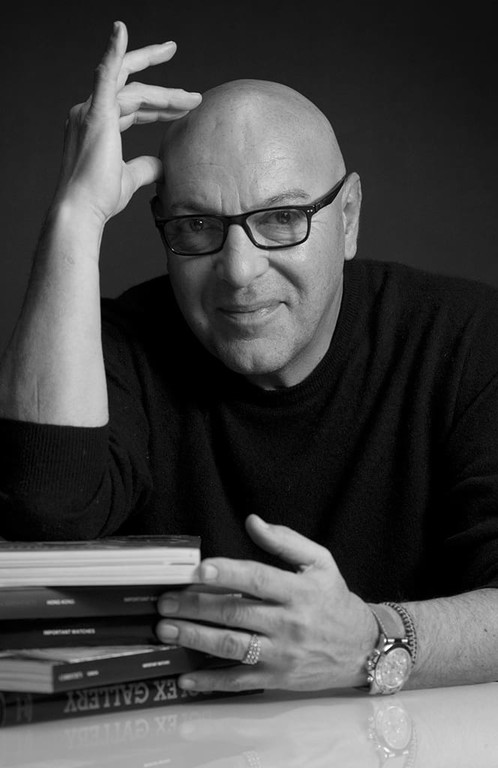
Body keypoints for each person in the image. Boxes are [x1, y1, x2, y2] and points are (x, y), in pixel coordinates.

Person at [1, 21, 498, 696]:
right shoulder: (116, 347)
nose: (238, 271)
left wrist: (374, 640)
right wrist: (75, 217)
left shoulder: (468, 339)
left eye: (282, 218)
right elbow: (43, 519)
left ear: (349, 217)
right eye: (197, 226)